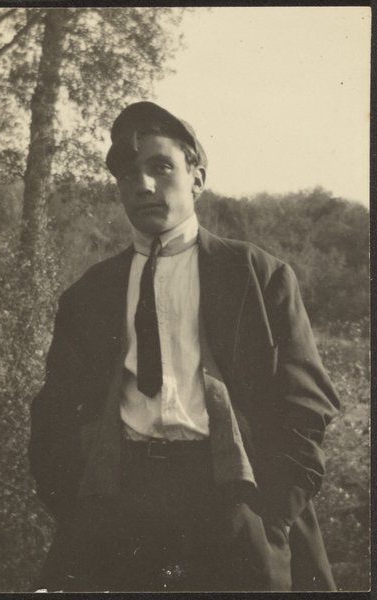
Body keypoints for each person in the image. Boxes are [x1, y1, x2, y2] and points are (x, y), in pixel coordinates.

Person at [29, 101, 340, 592]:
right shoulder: (89, 293)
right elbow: (55, 414)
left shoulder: (258, 275)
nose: (144, 184)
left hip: (233, 501)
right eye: (128, 173)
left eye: (161, 167)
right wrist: (77, 507)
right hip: (121, 507)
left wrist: (274, 513)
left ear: (197, 178)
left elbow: (307, 403)